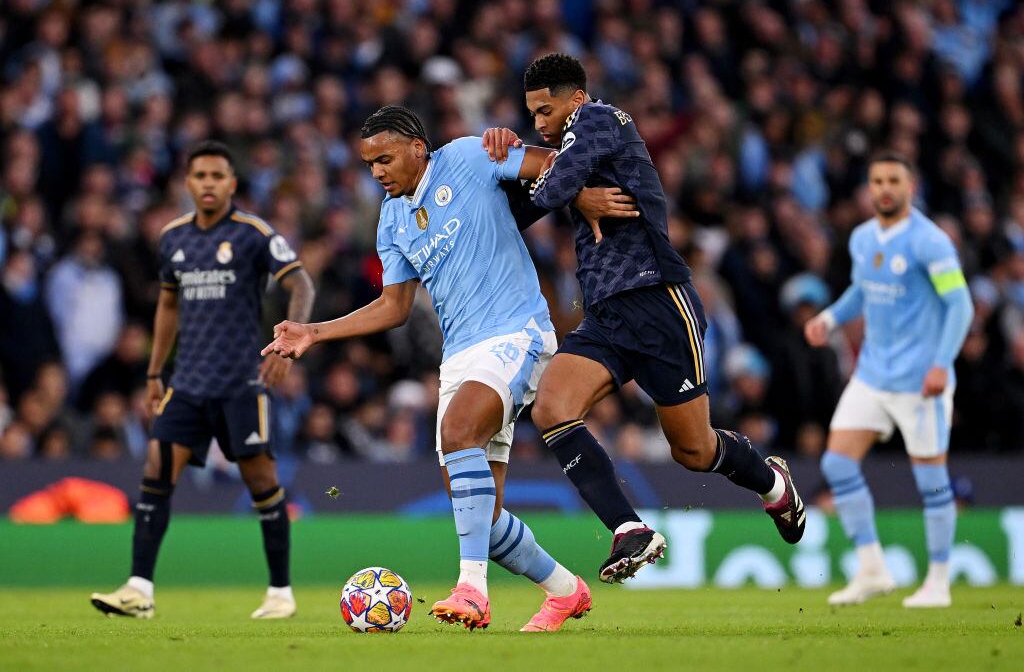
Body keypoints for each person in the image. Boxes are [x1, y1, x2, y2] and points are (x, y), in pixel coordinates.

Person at [264, 106, 631, 632]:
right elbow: (393, 307)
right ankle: (565, 591)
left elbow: (552, 162)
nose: (377, 173)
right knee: (481, 512)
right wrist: (315, 332)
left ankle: (471, 592)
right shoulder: (391, 220)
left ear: (418, 146)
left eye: (385, 159)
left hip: (516, 331)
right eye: (369, 165)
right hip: (459, 356)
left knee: (458, 434)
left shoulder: (466, 156)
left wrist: (583, 194)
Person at [484, 53, 806, 584]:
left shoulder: (600, 120)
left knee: (694, 451)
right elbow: (527, 207)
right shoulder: (570, 148)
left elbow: (551, 189)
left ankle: (773, 483)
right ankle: (629, 530)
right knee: (551, 408)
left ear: (576, 99)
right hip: (607, 314)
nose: (538, 122)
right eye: (531, 114)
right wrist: (502, 159)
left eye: (545, 110)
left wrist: (545, 175)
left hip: (658, 301)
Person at [90, 141, 315, 619]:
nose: (209, 183)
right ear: (188, 183)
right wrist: (154, 371)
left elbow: (301, 283)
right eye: (201, 176)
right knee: (156, 469)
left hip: (239, 383)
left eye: (218, 176)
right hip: (187, 382)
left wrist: (288, 344)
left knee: (262, 481)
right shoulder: (173, 238)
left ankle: (280, 592)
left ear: (232, 183)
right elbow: (168, 305)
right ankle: (139, 589)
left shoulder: (253, 233)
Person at [805, 152, 973, 608]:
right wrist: (829, 319)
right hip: (873, 376)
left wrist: (942, 364)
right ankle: (872, 568)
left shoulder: (930, 242)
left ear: (910, 187)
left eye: (893, 180)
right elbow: (863, 290)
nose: (884, 188)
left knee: (932, 480)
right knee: (837, 464)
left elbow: (961, 306)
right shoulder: (862, 238)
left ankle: (938, 581)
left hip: (921, 380)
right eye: (877, 180)